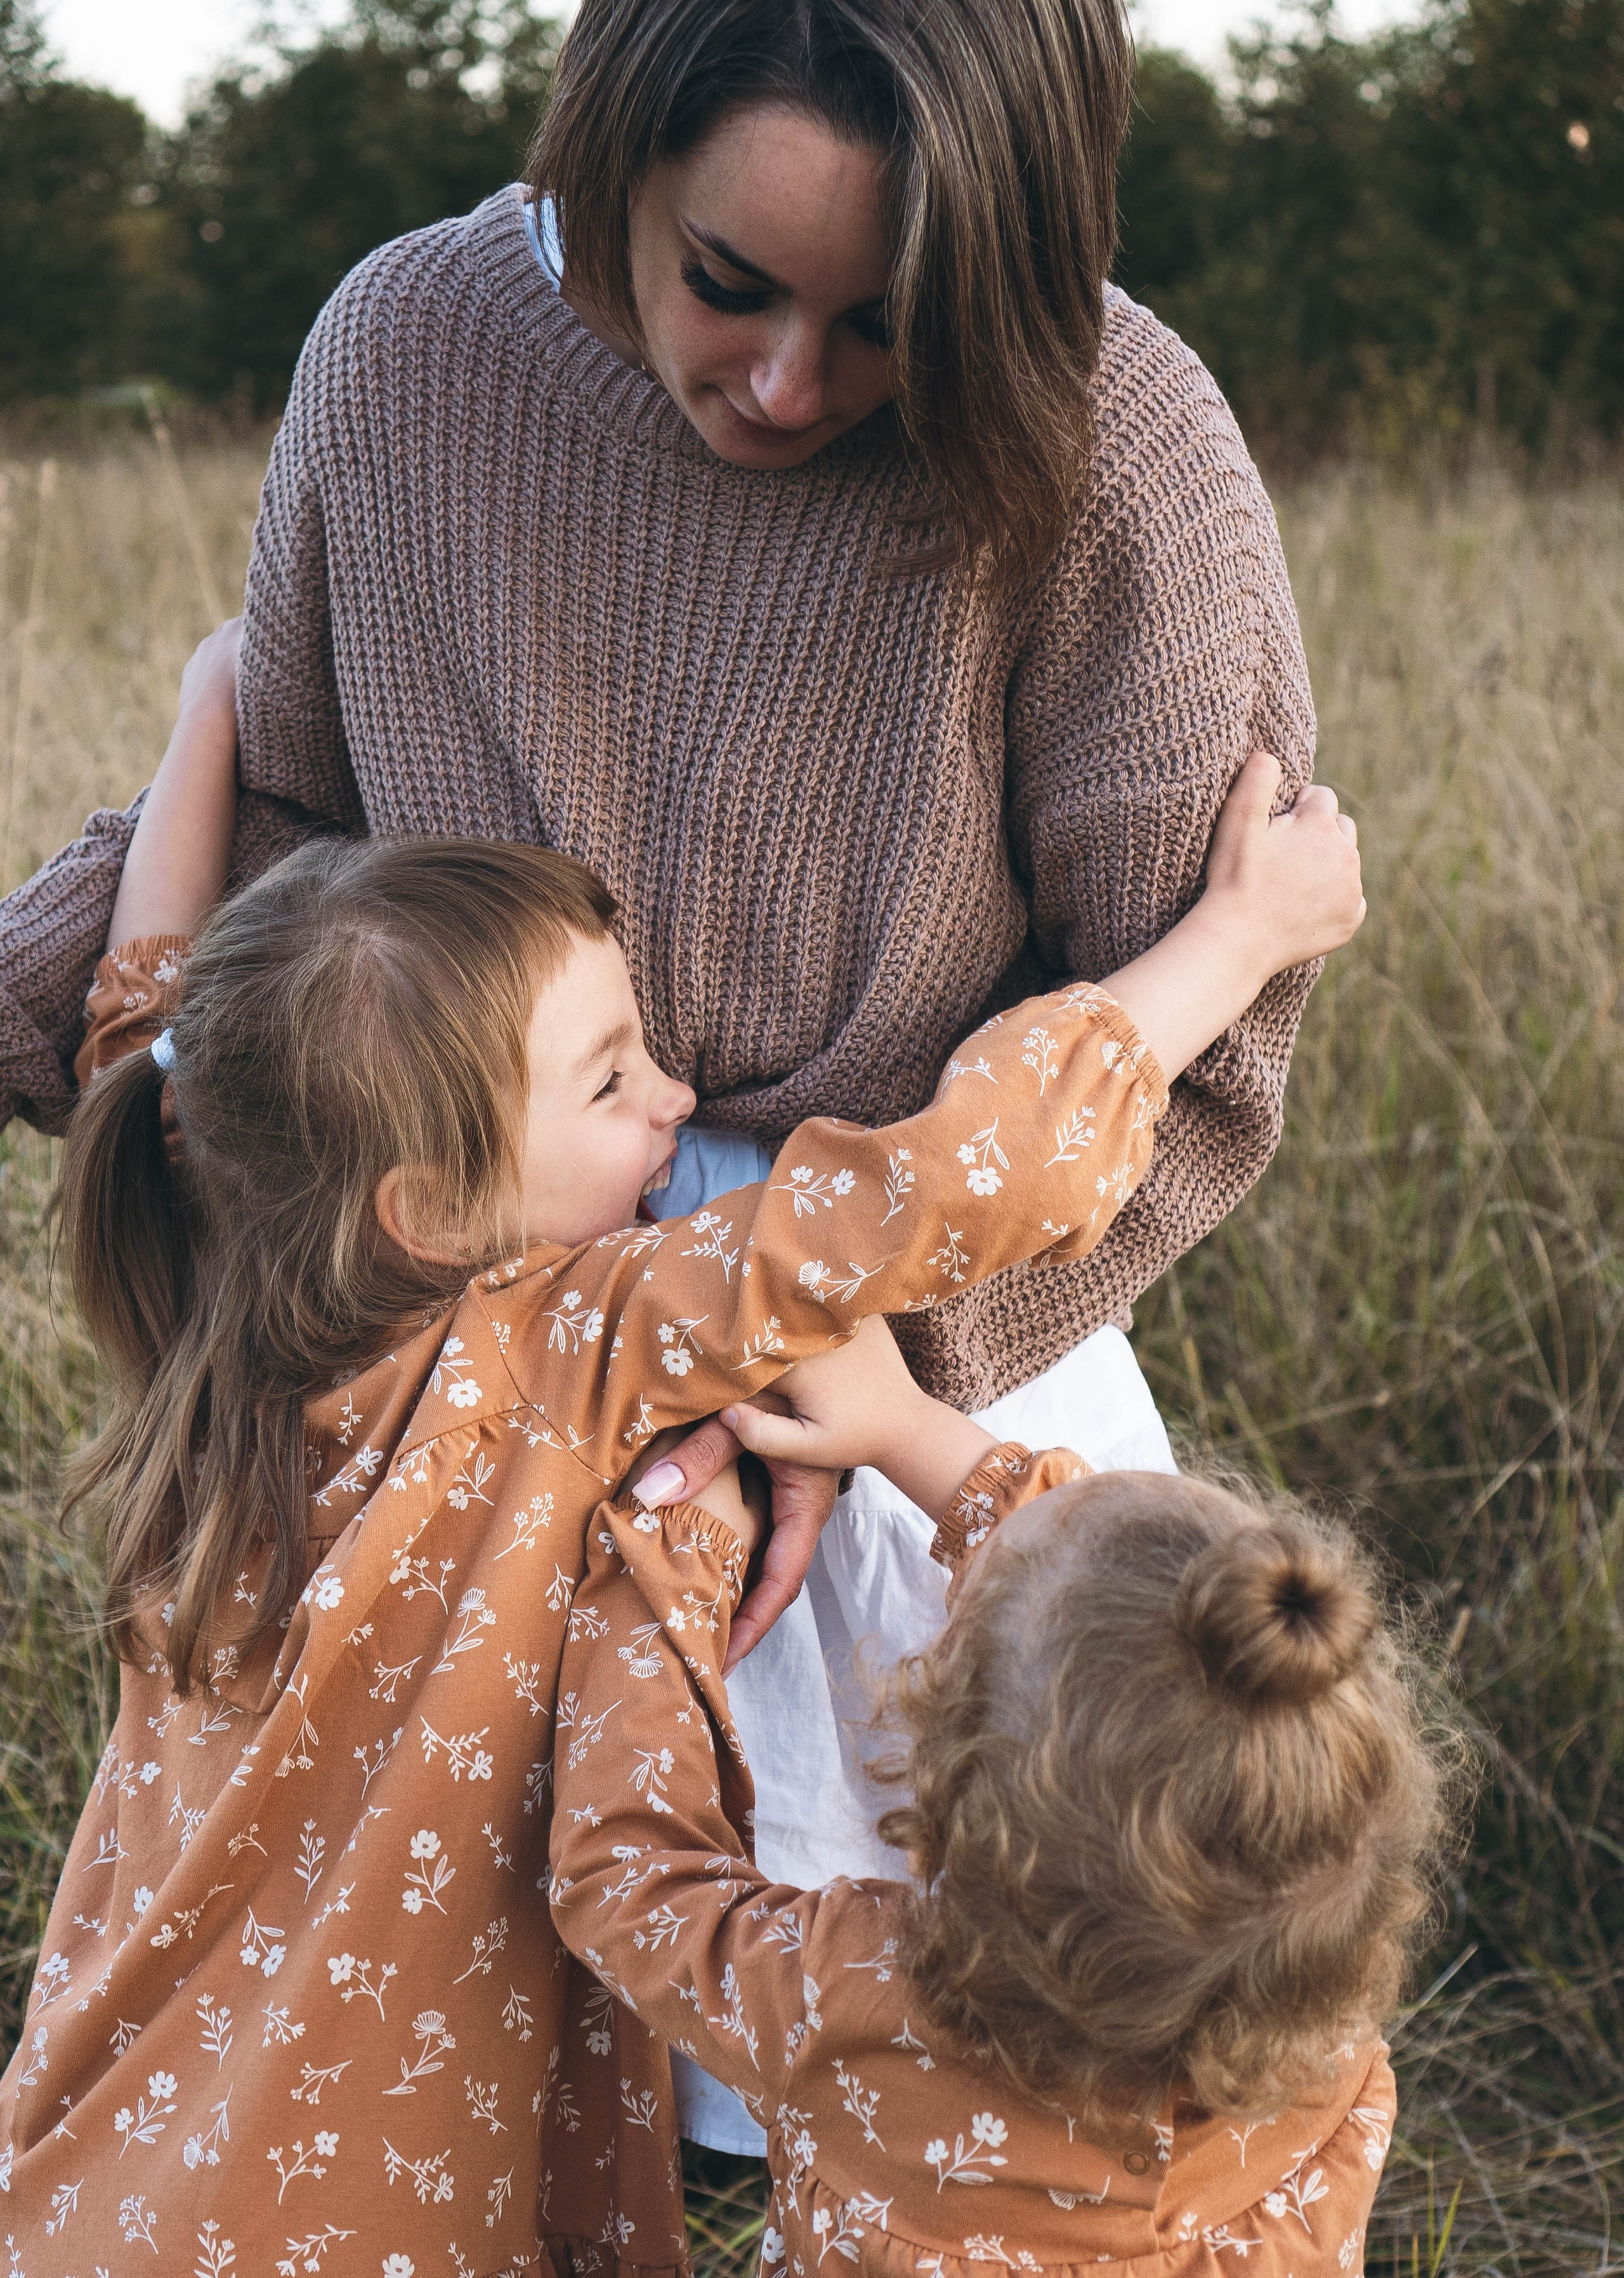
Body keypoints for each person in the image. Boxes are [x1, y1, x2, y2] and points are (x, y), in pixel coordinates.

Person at [0, 0, 1320, 2154]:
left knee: (953, 2074)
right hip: (470, 1319)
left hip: (917, 1302)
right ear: (606, 153)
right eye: (727, 283)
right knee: (471, 2059)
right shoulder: (406, 352)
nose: (791, 386)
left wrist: (878, 1363)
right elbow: (304, 848)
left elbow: (1193, 1036)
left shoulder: (1121, 436)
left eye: (886, 325)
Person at [0, 639, 1363, 2278]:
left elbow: (144, 1020)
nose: (677, 1100)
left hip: (105, 2209)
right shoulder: (565, 1341)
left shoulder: (208, 1289)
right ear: (432, 1209)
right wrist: (1244, 940)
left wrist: (205, 723)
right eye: (611, 1078)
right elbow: (948, 1186)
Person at [549, 1332, 1464, 2278]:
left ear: (939, 1821)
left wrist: (682, 1554)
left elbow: (629, 1879)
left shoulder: (857, 2006)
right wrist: (902, 1423)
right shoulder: (1317, 2008)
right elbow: (1101, 1622)